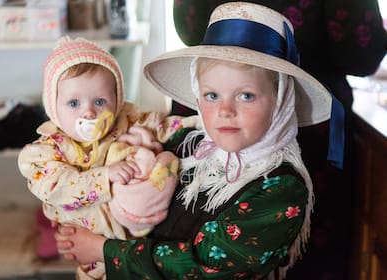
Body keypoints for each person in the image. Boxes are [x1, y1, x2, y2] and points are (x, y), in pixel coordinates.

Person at [54, 3, 343, 279]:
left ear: (280, 102)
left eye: (246, 96)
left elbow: (206, 267)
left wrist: (102, 250)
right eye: (211, 95)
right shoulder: (189, 145)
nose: (225, 110)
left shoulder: (280, 188)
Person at [172, 1, 386, 278]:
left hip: (296, 135)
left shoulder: (286, 185)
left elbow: (189, 27)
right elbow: (361, 53)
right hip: (209, 133)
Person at [17, 36, 198, 279]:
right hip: (88, 246)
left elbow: (165, 126)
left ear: (117, 100)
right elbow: (56, 187)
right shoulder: (47, 151)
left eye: (100, 101)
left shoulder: (127, 122)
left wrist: (198, 124)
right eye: (73, 103)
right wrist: (105, 176)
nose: (89, 111)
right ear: (53, 106)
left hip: (135, 237)